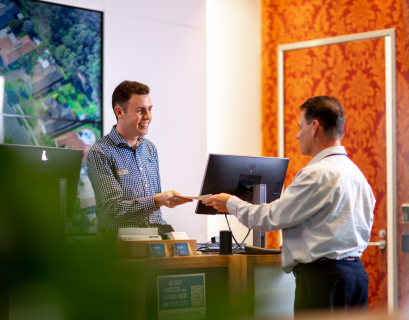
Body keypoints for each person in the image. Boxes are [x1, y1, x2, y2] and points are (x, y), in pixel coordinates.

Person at [203, 95, 375, 315]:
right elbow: (343, 225)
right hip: (356, 277)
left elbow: (271, 217)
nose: (296, 134)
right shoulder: (356, 174)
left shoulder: (316, 174)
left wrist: (232, 204)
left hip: (325, 280)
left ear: (314, 127)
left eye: (299, 127)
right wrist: (299, 243)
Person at [87, 80, 191, 236]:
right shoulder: (101, 152)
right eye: (140, 110)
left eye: (149, 109)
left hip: (155, 237)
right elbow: (112, 210)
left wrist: (172, 236)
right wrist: (156, 201)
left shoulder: (149, 149)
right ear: (119, 112)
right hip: (118, 244)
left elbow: (154, 215)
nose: (148, 116)